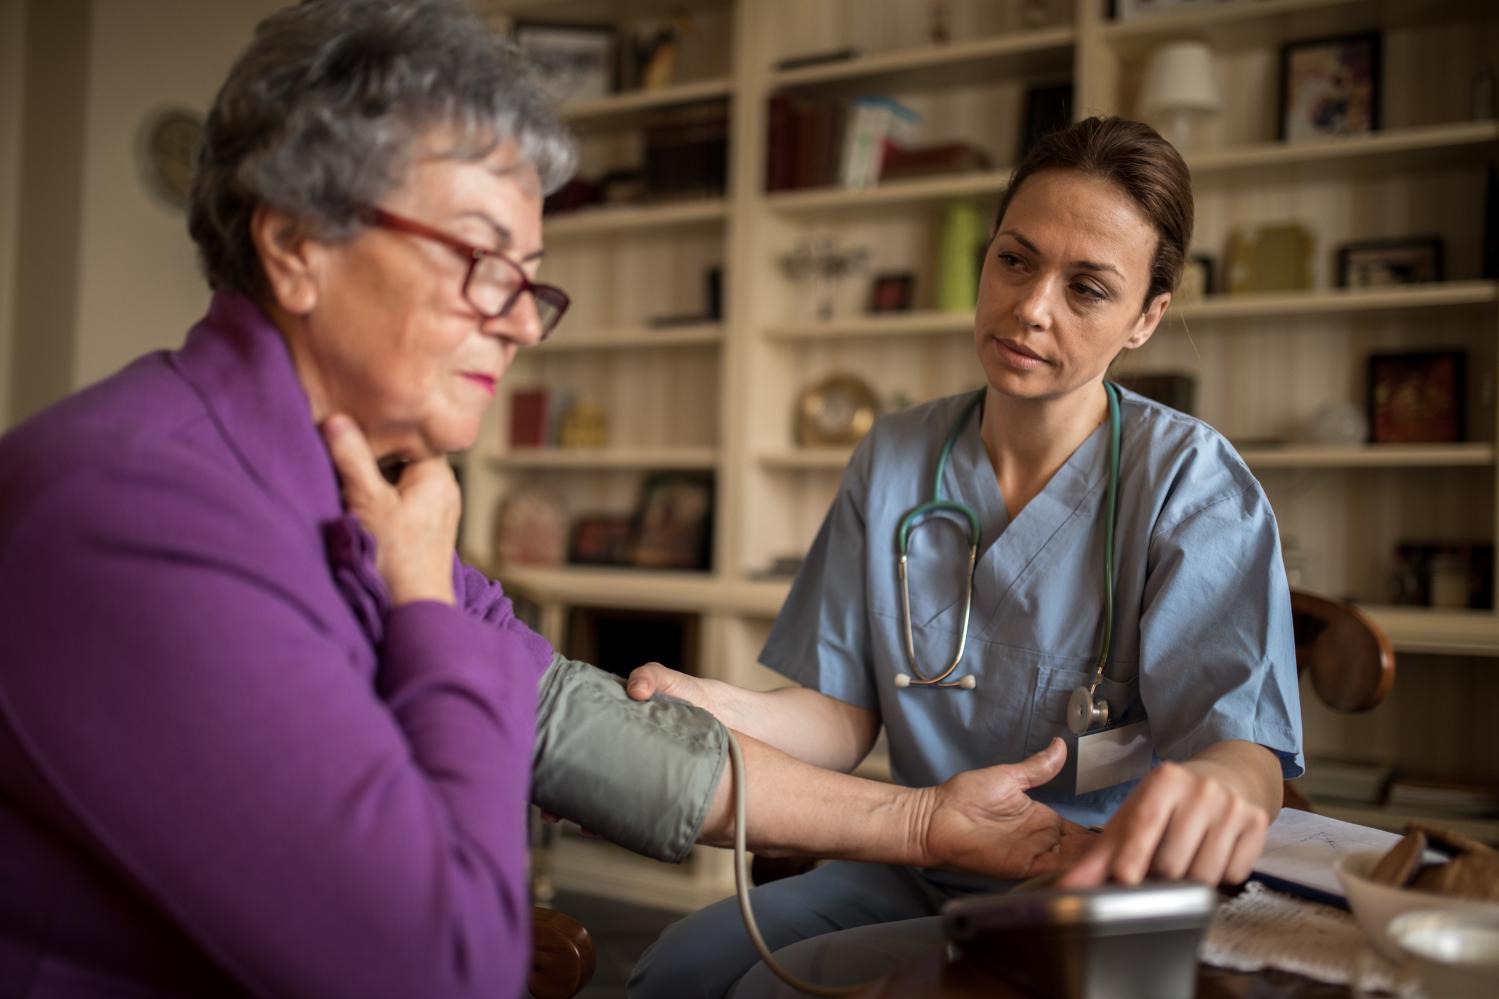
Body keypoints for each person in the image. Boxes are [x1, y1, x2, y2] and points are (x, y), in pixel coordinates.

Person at [0, 3, 1101, 996]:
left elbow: (558, 717)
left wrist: (922, 820)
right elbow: (444, 970)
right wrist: (426, 605)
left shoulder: (350, 484)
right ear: (296, 245)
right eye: (480, 261)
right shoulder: (136, 515)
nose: (521, 324)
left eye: (530, 280)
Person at [627, 116, 1305, 998]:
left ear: (1146, 318)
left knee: (773, 990)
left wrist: (1221, 783)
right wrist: (702, 701)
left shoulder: (1191, 482)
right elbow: (840, 715)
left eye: (1087, 288)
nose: (1030, 306)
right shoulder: (895, 454)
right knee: (674, 969)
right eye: (1015, 260)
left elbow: (1243, 752)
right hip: (920, 850)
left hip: (1082, 880)